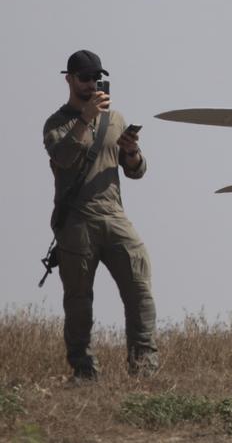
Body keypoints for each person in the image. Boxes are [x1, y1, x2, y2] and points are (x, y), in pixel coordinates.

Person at [43, 50, 158, 380]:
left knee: (140, 290)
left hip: (114, 216)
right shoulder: (57, 123)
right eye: (84, 78)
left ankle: (144, 370)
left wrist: (132, 152)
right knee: (79, 302)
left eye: (96, 77)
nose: (91, 84)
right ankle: (84, 372)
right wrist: (84, 118)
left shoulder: (115, 119)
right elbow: (63, 158)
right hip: (77, 223)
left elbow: (135, 171)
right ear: (69, 79)